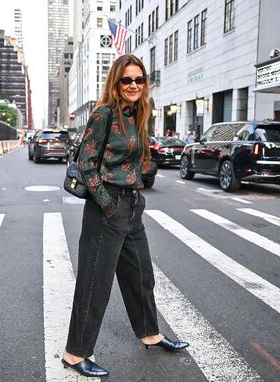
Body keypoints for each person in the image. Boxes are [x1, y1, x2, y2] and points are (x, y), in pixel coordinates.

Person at [62, 54, 189, 378]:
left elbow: (135, 159)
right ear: (116, 83)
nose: (134, 85)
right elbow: (86, 162)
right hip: (108, 206)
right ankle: (75, 354)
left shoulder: (139, 114)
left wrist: (145, 172)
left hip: (132, 206)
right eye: (127, 80)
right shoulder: (104, 114)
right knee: (95, 283)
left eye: (139, 79)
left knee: (142, 276)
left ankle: (149, 333)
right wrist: (107, 202)